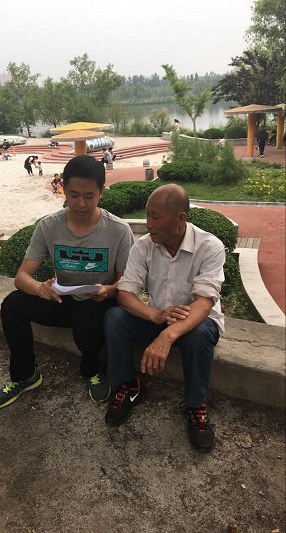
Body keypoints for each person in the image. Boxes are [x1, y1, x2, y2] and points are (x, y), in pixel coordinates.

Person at [0, 155, 134, 409]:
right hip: (62, 298)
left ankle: (91, 370)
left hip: (99, 303)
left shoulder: (119, 230)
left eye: (89, 196)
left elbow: (126, 285)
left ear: (101, 192)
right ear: (63, 189)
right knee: (12, 305)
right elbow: (21, 277)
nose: (81, 203)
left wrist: (108, 290)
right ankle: (25, 375)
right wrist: (40, 288)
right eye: (74, 194)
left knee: (86, 319)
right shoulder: (49, 226)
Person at [103, 184, 225, 453]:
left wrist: (167, 335)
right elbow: (125, 293)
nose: (148, 223)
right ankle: (130, 386)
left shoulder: (209, 246)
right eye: (147, 215)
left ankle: (195, 405)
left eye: (155, 217)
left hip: (193, 324)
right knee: (114, 317)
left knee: (201, 332)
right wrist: (155, 315)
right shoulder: (144, 246)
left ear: (180, 218)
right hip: (158, 318)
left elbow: (204, 303)